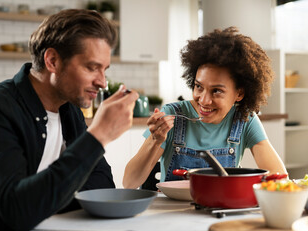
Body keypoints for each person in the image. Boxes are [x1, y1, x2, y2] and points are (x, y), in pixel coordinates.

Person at [0, 9, 138, 231]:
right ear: (53, 61)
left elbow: (102, 188)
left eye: (104, 70)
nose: (102, 82)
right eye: (91, 67)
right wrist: (97, 137)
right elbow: (18, 211)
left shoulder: (70, 111)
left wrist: (46, 198)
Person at [123, 27, 287, 189]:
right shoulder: (172, 115)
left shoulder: (244, 119)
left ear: (239, 93)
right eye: (198, 86)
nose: (204, 100)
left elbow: (279, 180)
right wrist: (155, 140)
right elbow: (129, 183)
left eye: (216, 91)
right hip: (173, 211)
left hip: (222, 208)